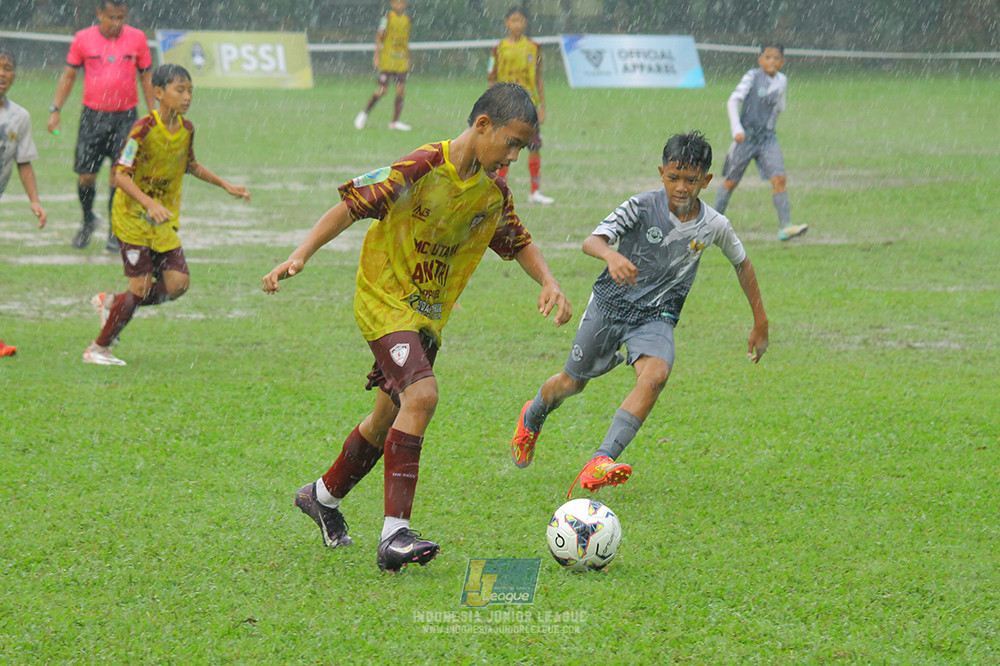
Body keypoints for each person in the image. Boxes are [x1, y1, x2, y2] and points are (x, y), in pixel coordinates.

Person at [263, 83, 572, 572]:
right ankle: (395, 535)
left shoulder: (492, 193)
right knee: (423, 397)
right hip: (384, 301)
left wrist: (550, 281)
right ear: (483, 125)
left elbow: (516, 241)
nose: (513, 156)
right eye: (511, 143)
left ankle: (321, 496)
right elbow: (351, 205)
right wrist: (299, 254)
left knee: (386, 418)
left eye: (522, 148)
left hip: (426, 317)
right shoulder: (422, 165)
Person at [510, 131, 769, 497]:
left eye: (691, 180)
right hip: (609, 306)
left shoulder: (714, 225)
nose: (681, 187)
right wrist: (611, 255)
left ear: (706, 181)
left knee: (656, 375)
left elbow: (743, 265)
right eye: (674, 177)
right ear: (661, 173)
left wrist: (761, 321)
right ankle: (532, 416)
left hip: (656, 316)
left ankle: (601, 459)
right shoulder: (639, 207)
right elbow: (592, 241)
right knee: (572, 383)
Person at [83, 64, 250, 366]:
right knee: (141, 287)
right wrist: (148, 203)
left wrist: (226, 185)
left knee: (178, 285)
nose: (187, 97)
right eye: (180, 90)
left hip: (161, 222)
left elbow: (191, 164)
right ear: (159, 93)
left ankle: (112, 303)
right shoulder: (143, 129)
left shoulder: (186, 129)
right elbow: (120, 175)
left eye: (190, 91)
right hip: (132, 218)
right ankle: (98, 348)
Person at [48, 0, 155, 251]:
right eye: (112, 18)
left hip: (126, 119)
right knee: (86, 176)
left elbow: (147, 77)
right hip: (92, 117)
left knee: (118, 177)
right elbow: (69, 75)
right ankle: (87, 221)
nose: (117, 23)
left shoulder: (138, 39)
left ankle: (114, 231)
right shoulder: (82, 39)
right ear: (99, 15)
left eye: (121, 17)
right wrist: (55, 110)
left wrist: (154, 115)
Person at [714, 44, 806, 242]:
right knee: (731, 182)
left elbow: (779, 107)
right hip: (745, 138)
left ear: (783, 62)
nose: (772, 61)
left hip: (767, 138)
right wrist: (736, 128)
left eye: (776, 58)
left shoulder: (782, 81)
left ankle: (785, 226)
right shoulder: (751, 77)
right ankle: (711, 223)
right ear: (760, 60)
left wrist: (770, 129)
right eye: (768, 57)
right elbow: (733, 100)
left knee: (779, 178)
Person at [0, 45, 47, 358]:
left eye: (8, 68)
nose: (3, 73)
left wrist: (35, 200)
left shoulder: (19, 117)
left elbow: (23, 162)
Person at [487, 7, 554, 205]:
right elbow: (491, 77)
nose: (517, 25)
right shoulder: (498, 48)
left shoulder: (534, 47)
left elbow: (539, 77)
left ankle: (535, 191)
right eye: (513, 20)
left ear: (525, 23)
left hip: (529, 107)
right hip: (507, 106)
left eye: (520, 20)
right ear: (506, 22)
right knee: (503, 149)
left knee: (534, 147)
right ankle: (499, 189)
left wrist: (541, 106)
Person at [354, 0, 412, 131]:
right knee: (382, 90)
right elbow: (379, 37)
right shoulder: (387, 18)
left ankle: (395, 122)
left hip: (401, 60)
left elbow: (406, 41)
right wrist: (376, 56)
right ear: (392, 4)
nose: (400, 5)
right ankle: (364, 113)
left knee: (401, 89)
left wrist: (408, 59)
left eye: (402, 3)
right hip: (387, 59)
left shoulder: (407, 20)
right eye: (397, 3)